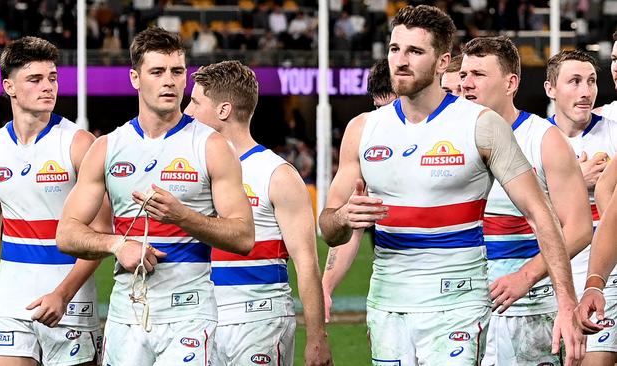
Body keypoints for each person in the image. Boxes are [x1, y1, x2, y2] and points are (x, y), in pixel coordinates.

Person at [318, 5, 584, 365]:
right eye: (395, 49)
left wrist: (566, 302)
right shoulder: (363, 130)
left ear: (443, 62)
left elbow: (542, 214)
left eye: (415, 51)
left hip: (457, 305)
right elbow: (330, 228)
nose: (400, 60)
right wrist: (343, 218)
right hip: (387, 304)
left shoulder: (482, 126)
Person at [55, 27, 255, 365]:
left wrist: (182, 216)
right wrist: (117, 245)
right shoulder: (107, 147)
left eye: (177, 72)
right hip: (126, 313)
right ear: (135, 78)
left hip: (190, 314)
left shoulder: (212, 146)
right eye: (157, 72)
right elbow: (67, 232)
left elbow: (243, 236)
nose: (170, 81)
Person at [184, 60, 332, 366]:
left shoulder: (277, 175)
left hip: (260, 321)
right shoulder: (192, 170)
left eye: (196, 102)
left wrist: (317, 338)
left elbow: (306, 262)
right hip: (199, 320)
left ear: (223, 110)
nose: (187, 111)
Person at [0, 36, 105, 366]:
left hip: (71, 306)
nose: (48, 87)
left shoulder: (79, 145)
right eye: (35, 79)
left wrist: (63, 294)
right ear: (9, 87)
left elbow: (100, 231)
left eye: (53, 78)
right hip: (9, 304)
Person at [460, 35, 595, 365]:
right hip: (459, 308)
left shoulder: (543, 139)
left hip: (528, 309)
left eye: (479, 74)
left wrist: (526, 276)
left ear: (510, 83)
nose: (466, 83)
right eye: (463, 75)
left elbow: (579, 229)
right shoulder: (450, 139)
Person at [544, 49, 617, 366]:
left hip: (606, 278)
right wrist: (572, 183)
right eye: (574, 82)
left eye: (591, 81)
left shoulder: (614, 131)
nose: (585, 91)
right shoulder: (534, 138)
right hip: (550, 280)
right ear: (550, 89)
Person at [322, 58, 397, 323]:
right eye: (378, 107)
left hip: (457, 278)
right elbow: (345, 223)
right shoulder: (364, 133)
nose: (385, 118)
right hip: (390, 284)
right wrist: (326, 287)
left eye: (394, 107)